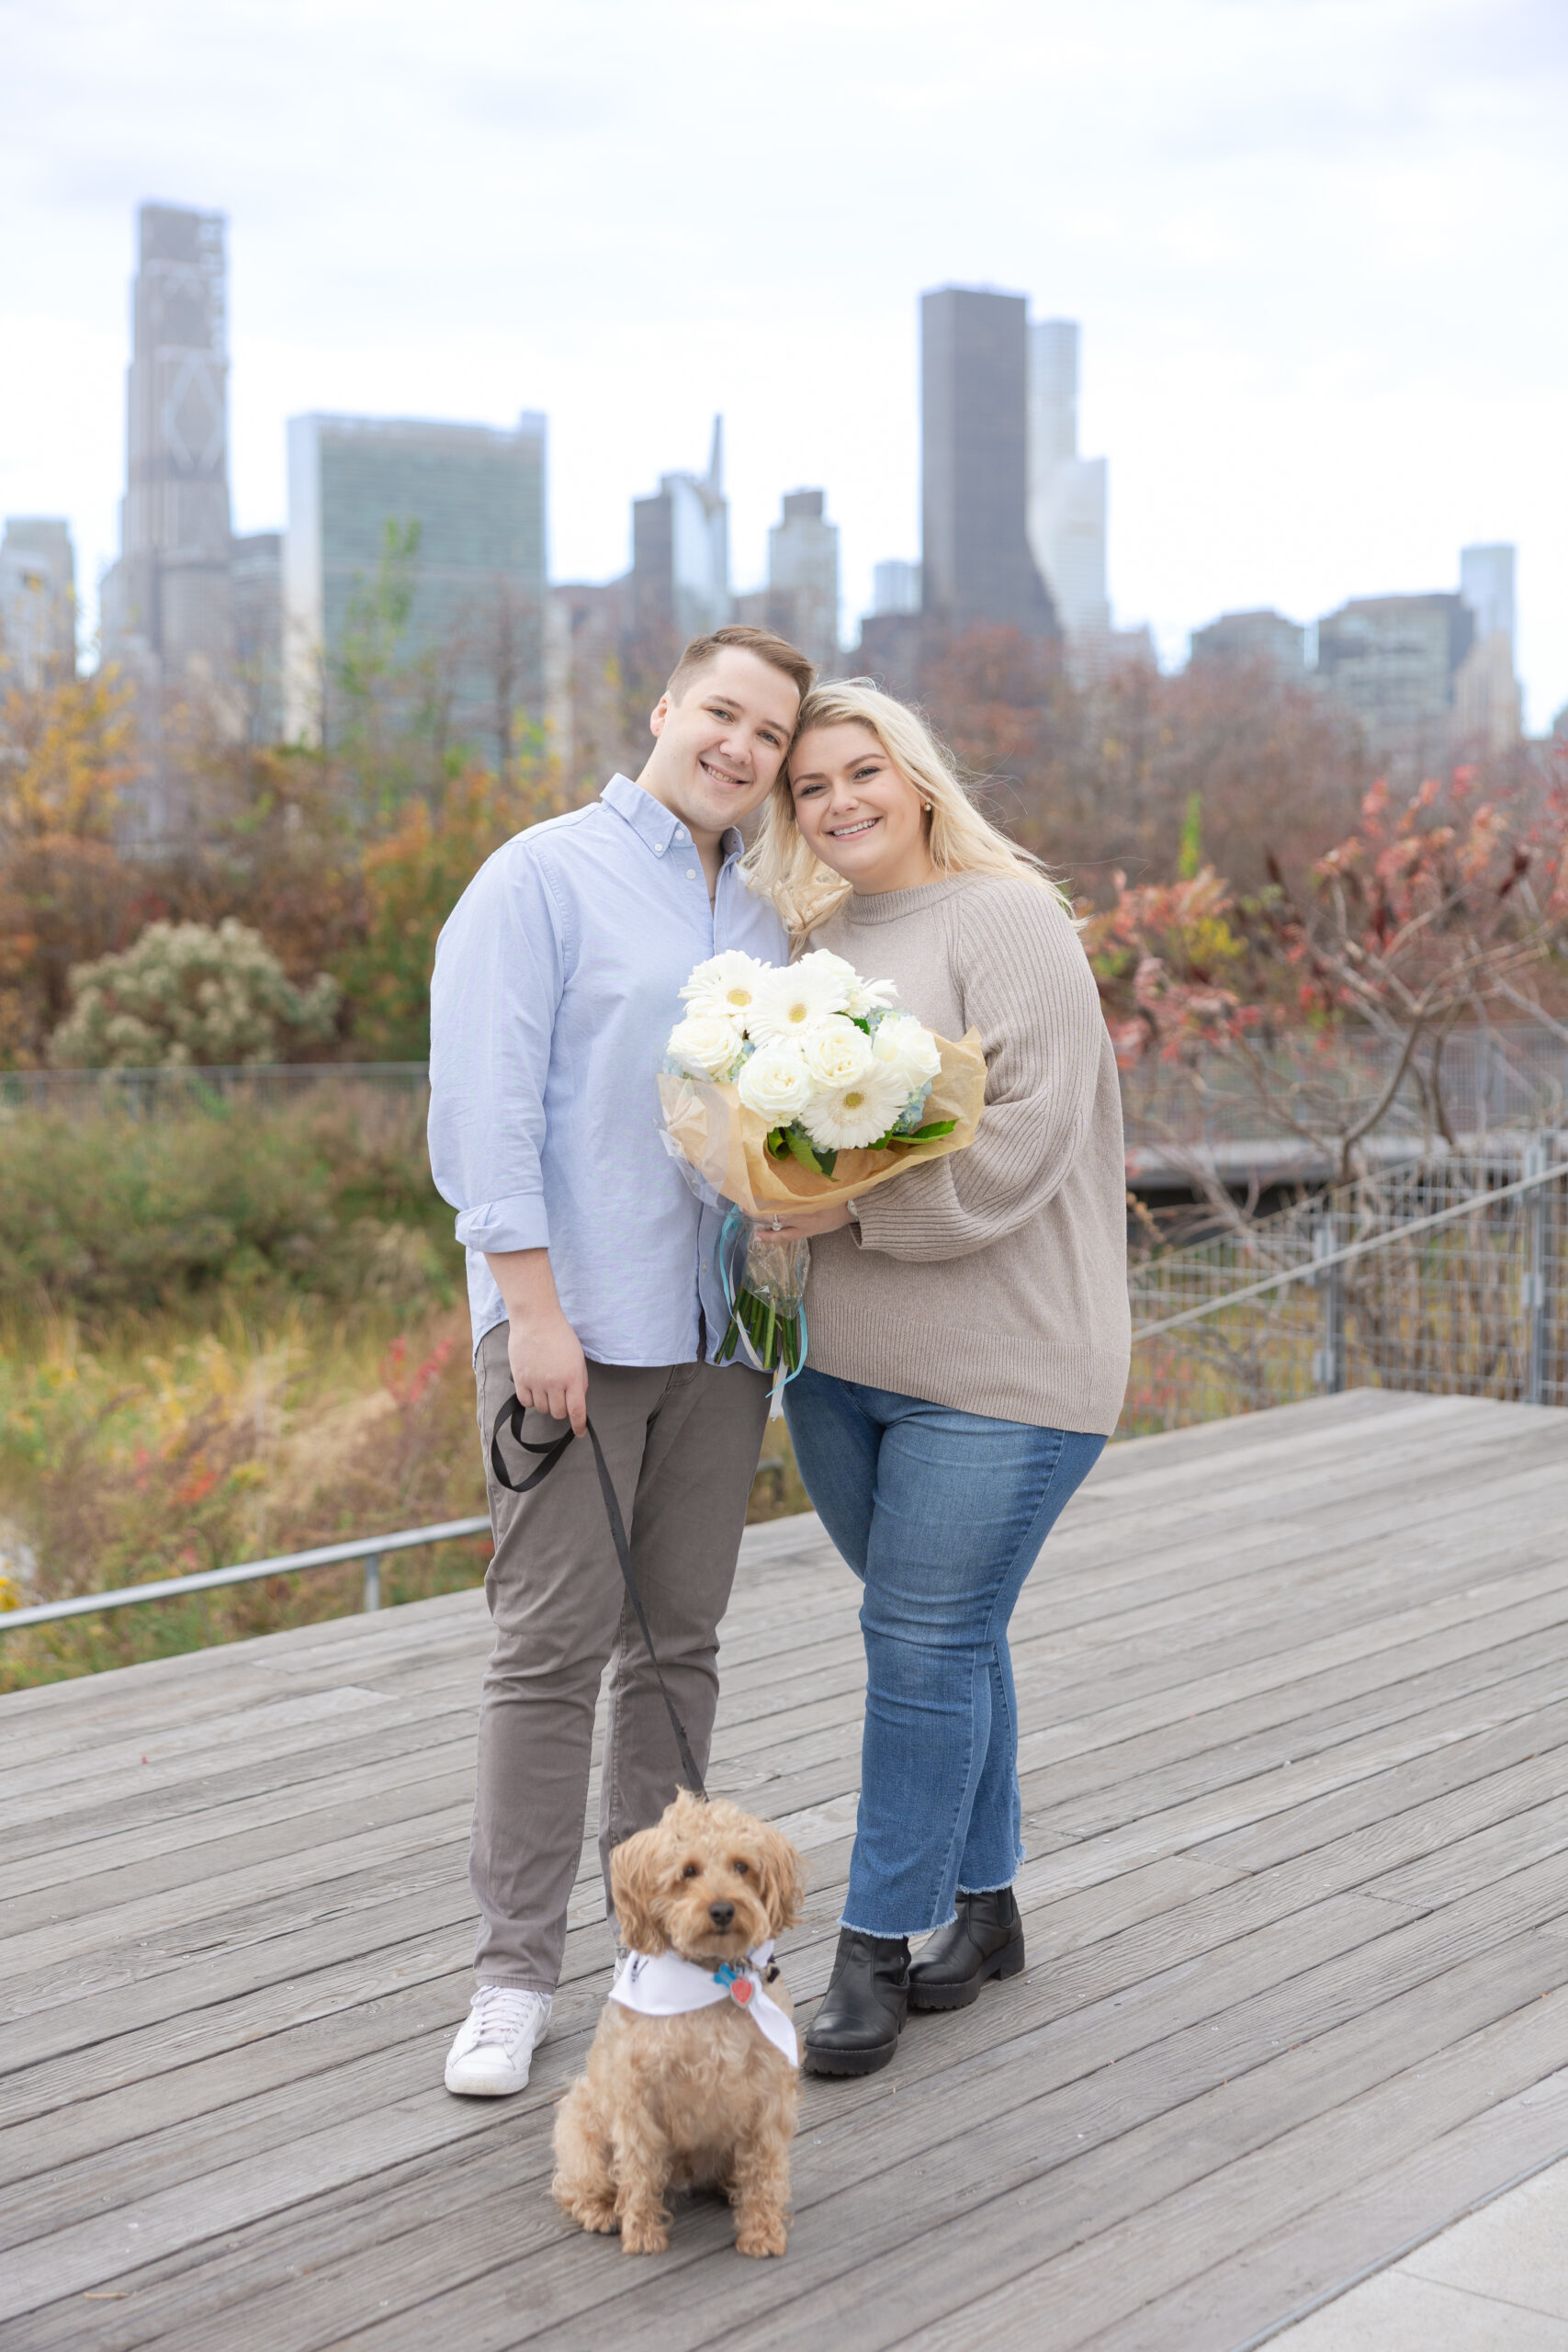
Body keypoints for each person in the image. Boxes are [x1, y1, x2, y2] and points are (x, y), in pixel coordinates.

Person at [428, 625, 813, 2097]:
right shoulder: (541, 876)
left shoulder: (768, 917)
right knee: (548, 1655)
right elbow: (484, 1108)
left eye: (768, 735)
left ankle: (661, 1963)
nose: (740, 747)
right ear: (665, 710)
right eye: (723, 713)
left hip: (719, 1340)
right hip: (571, 1332)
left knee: (678, 1656)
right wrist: (530, 1310)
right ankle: (513, 1976)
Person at [744, 679, 1130, 2076]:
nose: (837, 802)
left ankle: (876, 1948)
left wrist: (844, 1211)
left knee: (916, 1646)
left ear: (916, 778)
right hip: (840, 1372)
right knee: (944, 1638)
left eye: (862, 773)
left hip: (1008, 1370)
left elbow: (1022, 1140)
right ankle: (990, 1906)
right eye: (809, 787)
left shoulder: (1006, 918)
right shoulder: (808, 945)